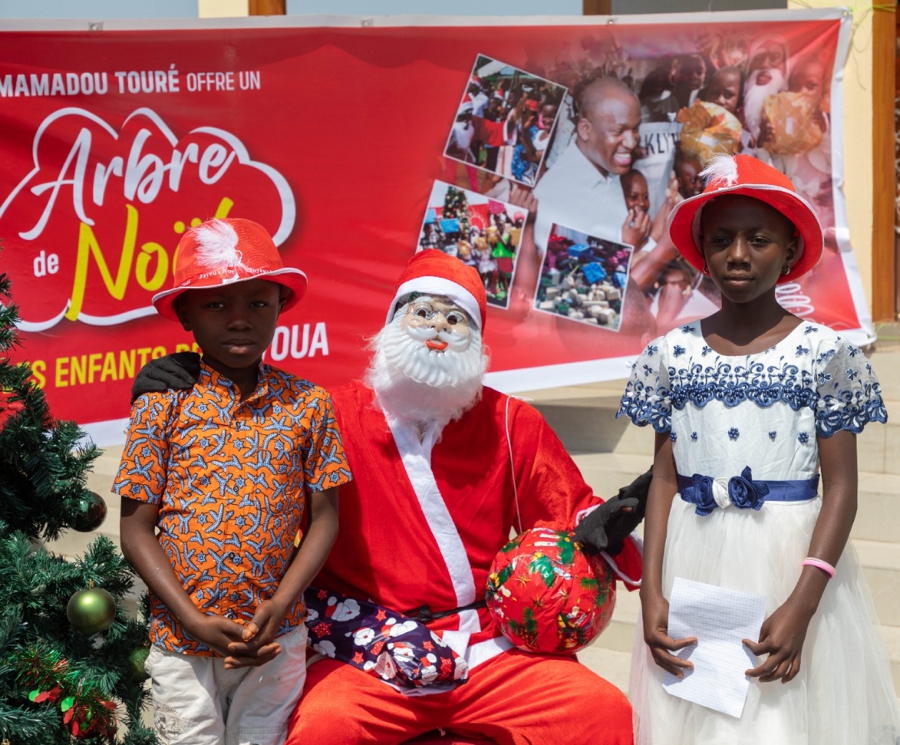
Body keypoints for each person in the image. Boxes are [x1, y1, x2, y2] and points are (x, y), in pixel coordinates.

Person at [133, 249, 649, 744]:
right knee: (323, 728)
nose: (437, 331)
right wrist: (190, 379)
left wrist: (605, 525)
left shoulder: (512, 423)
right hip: (362, 649)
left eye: (455, 319)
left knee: (600, 712)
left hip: (485, 644)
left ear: (478, 340)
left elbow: (571, 511)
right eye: (422, 312)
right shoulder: (326, 411)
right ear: (390, 324)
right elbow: (247, 437)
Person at [619, 154, 900, 743]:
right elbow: (665, 478)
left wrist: (803, 602)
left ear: (790, 250)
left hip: (788, 567)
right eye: (721, 239)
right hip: (692, 565)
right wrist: (651, 589)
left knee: (775, 720)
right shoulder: (673, 352)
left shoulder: (825, 353)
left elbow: (842, 489)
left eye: (759, 238)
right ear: (701, 249)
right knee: (695, 715)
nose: (738, 255)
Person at [116, 218, 352, 745]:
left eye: (258, 303)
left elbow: (324, 520)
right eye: (218, 304)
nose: (240, 320)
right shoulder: (161, 404)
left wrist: (281, 605)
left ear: (280, 307)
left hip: (275, 638)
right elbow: (135, 531)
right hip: (181, 640)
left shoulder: (310, 405)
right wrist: (192, 618)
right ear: (184, 313)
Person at [532, 76, 649, 254]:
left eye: (635, 129)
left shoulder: (605, 167)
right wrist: (628, 249)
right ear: (585, 130)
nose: (632, 143)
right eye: (618, 131)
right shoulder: (557, 195)